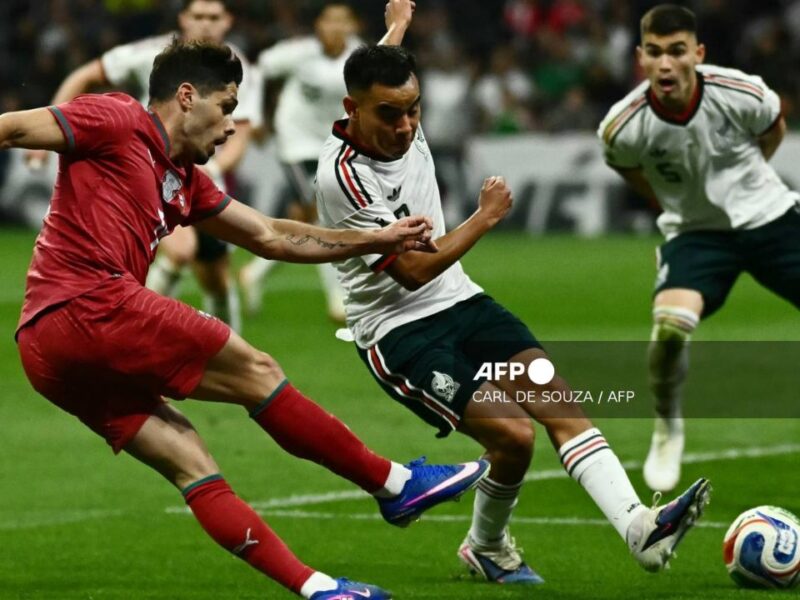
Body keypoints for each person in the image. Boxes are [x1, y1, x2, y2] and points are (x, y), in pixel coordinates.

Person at [7, 39, 491, 599]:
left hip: (46, 348)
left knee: (190, 460)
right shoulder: (116, 117)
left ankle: (317, 589)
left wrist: (373, 238)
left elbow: (268, 236)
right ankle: (394, 484)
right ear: (187, 97)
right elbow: (13, 128)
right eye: (228, 107)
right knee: (256, 370)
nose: (233, 126)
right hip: (90, 303)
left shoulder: (184, 180)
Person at [315, 42, 711, 585]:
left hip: (464, 303)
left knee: (559, 402)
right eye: (389, 113)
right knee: (513, 436)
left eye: (414, 109)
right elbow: (409, 271)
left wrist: (397, 25)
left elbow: (386, 61)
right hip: (398, 332)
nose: (406, 125)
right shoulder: (343, 176)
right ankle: (488, 545)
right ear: (351, 108)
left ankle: (638, 527)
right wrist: (483, 217)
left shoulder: (396, 108)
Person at [598, 4, 800, 493]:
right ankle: (668, 427)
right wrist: (670, 212)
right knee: (668, 333)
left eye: (677, 52)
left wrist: (746, 184)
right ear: (640, 58)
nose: (666, 64)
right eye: (655, 53)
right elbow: (624, 165)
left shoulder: (742, 91)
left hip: (770, 218)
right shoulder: (623, 126)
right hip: (695, 234)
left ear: (698, 53)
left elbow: (772, 128)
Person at [26, 0, 260, 332]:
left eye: (214, 17)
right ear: (183, 19)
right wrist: (57, 123)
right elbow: (86, 74)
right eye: (198, 16)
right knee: (180, 249)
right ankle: (129, 326)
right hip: (146, 173)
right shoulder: (151, 53)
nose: (205, 24)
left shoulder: (241, 71)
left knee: (218, 280)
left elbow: (241, 134)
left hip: (202, 179)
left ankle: (224, 348)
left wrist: (213, 168)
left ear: (228, 22)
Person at [240, 2, 402, 321]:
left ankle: (255, 272)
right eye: (329, 21)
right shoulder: (296, 53)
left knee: (306, 215)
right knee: (327, 213)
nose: (335, 28)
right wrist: (254, 115)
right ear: (318, 26)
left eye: (342, 21)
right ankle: (337, 298)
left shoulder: (363, 58)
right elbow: (256, 70)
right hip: (295, 142)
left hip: (335, 142)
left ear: (353, 25)